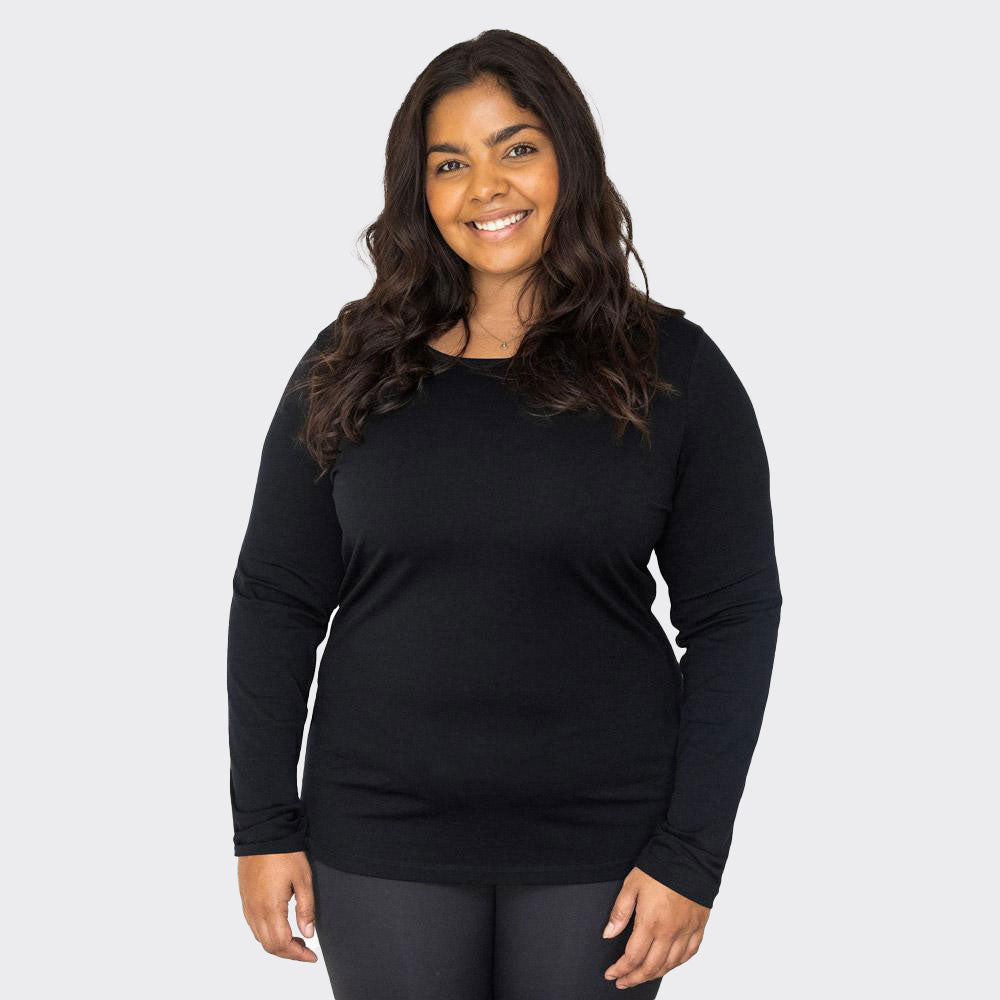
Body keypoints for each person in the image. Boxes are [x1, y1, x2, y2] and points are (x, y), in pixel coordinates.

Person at [227, 29, 782, 999]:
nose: (486, 187)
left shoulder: (673, 370)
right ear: (420, 190)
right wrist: (262, 825)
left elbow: (733, 616)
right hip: (379, 831)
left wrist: (692, 851)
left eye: (516, 148)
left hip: (605, 839)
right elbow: (276, 596)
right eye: (451, 163)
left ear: (569, 157)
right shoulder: (347, 365)